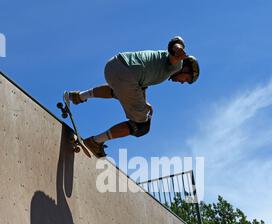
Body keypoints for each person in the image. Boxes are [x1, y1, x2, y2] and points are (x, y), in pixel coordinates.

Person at [67, 36, 200, 157]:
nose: (182, 82)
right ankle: (95, 142)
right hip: (127, 77)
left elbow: (141, 84)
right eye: (187, 79)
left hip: (114, 65)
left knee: (118, 92)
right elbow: (175, 42)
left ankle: (79, 96)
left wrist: (144, 101)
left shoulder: (160, 63)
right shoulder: (177, 65)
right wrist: (179, 49)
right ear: (185, 68)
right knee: (142, 126)